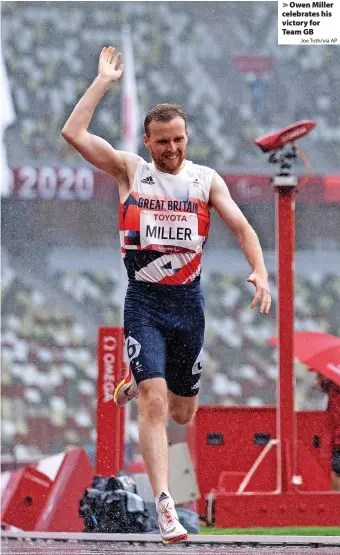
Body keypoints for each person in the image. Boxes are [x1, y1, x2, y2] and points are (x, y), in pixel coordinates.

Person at [62, 46, 271, 543]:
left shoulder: (205, 180)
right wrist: (102, 84)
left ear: (186, 138)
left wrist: (260, 270)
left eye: (178, 139)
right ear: (148, 142)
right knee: (156, 406)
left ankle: (139, 380)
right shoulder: (131, 171)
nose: (172, 149)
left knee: (182, 412)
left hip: (188, 306)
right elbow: (73, 134)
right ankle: (165, 506)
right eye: (163, 142)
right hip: (146, 303)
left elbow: (242, 227)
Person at [315, 373, 340, 491]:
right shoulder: (332, 389)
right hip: (335, 441)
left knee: (334, 473)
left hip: (336, 442)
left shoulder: (334, 390)